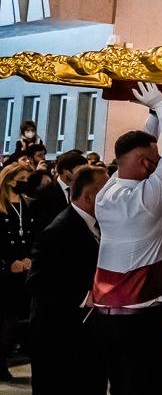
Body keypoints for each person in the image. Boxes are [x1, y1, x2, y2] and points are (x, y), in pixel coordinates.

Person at [91, 82, 162, 395]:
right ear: (146, 164)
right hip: (140, 317)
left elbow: (142, 148)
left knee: (122, 385)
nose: (158, 163)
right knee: (149, 385)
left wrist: (152, 114)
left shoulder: (108, 192)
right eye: (152, 159)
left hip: (106, 315)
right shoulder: (144, 200)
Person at [28, 165, 109, 395]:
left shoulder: (99, 225)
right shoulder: (58, 230)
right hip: (59, 337)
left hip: (87, 336)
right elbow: (38, 282)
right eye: (107, 191)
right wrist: (86, 297)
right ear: (90, 196)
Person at [0, 163, 40, 381]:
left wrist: (29, 258)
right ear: (9, 179)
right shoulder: (1, 205)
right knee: (8, 318)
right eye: (21, 178)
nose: (25, 182)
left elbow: (33, 235)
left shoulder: (27, 204)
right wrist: (8, 262)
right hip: (5, 269)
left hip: (23, 269)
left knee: (16, 319)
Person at [34, 149, 86, 222]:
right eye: (80, 171)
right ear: (66, 171)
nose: (84, 175)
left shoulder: (85, 190)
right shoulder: (45, 193)